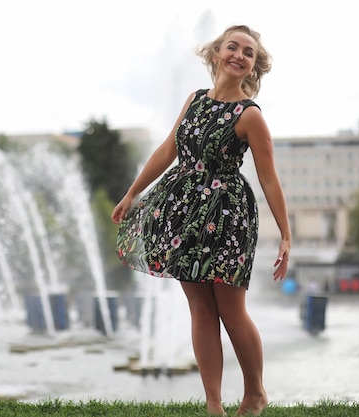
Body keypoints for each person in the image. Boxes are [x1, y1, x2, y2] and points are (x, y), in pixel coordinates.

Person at [111, 24, 290, 416]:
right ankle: (213, 404)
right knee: (200, 308)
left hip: (227, 218)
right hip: (186, 215)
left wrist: (286, 235)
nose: (239, 55)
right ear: (216, 54)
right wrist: (132, 192)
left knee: (231, 309)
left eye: (248, 53)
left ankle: (255, 393)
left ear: (252, 66)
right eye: (233, 47)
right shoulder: (194, 100)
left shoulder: (250, 115)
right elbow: (166, 151)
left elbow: (269, 177)